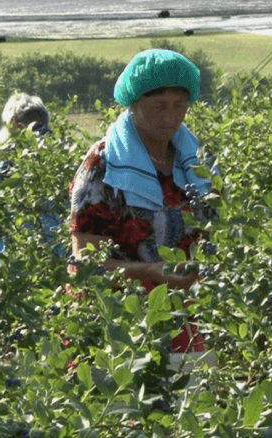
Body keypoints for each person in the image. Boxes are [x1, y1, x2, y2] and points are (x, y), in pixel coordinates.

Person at [68, 49, 218, 357]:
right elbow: (83, 266)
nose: (170, 116)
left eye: (179, 105)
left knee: (187, 395)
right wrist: (150, 271)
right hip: (116, 317)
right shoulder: (102, 167)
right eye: (159, 105)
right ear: (133, 102)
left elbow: (218, 231)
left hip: (180, 311)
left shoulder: (195, 162)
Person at [0, 92, 56, 267]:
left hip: (14, 259)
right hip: (55, 256)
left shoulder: (8, 162)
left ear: (13, 124)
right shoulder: (61, 154)